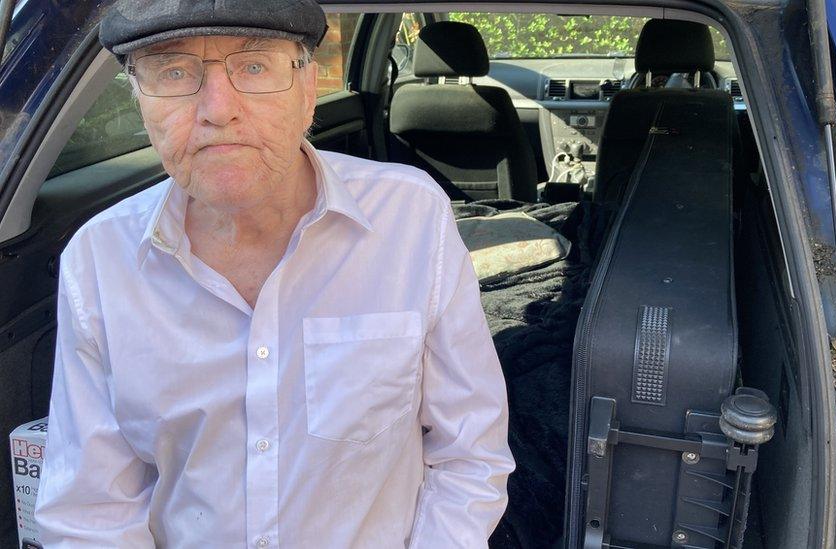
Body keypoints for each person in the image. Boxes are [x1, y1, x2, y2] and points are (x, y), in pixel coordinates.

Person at [33, 1, 515, 546]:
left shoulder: (411, 218)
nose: (218, 109)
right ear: (139, 101)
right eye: (173, 72)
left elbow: (469, 453)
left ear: (307, 88)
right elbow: (91, 511)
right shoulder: (98, 261)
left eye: (255, 67)